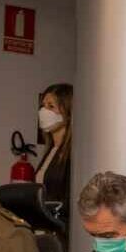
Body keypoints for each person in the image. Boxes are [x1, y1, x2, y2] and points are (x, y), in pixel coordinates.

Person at [34, 83, 73, 214]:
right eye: (43, 106)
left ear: (67, 113)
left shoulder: (72, 153)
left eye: (51, 106)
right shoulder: (51, 150)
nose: (44, 111)